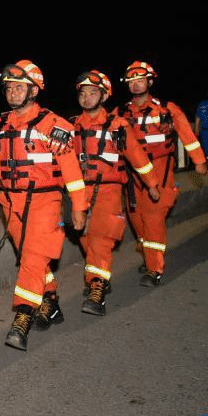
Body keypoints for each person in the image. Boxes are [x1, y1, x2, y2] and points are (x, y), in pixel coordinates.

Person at [0, 60, 87, 351]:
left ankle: (23, 315)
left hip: (45, 201)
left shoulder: (54, 125)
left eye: (19, 87)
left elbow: (71, 170)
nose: (13, 92)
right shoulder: (0, 125)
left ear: (33, 89)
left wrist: (79, 206)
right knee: (33, 258)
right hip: (9, 202)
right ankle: (50, 303)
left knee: (31, 258)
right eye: (9, 87)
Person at [71, 70, 160, 316]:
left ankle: (97, 289)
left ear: (104, 95)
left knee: (101, 238)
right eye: (83, 93)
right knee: (85, 238)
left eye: (92, 92)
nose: (87, 97)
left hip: (109, 190)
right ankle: (97, 278)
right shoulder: (74, 127)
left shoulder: (118, 125)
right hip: (81, 191)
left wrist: (152, 183)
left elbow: (137, 156)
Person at [116, 61, 207, 287]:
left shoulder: (167, 109)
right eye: (131, 82)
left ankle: (154, 268)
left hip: (160, 169)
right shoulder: (120, 112)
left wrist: (199, 160)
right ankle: (149, 255)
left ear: (150, 81)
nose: (136, 85)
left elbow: (186, 133)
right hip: (132, 174)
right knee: (136, 219)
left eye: (140, 80)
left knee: (153, 217)